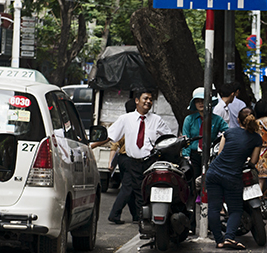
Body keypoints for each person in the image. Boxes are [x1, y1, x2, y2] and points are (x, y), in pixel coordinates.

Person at [94, 90, 171, 225]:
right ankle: (139, 218)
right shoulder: (126, 119)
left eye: (151, 99)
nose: (148, 101)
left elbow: (169, 138)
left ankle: (144, 218)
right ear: (137, 100)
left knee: (145, 191)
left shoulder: (156, 120)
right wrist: (91, 145)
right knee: (131, 189)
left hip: (149, 162)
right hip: (131, 161)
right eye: (145, 98)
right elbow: (110, 136)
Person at [205, 107, 262, 249]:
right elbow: (253, 162)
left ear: (238, 120)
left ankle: (219, 240)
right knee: (235, 209)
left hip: (213, 172)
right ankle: (229, 237)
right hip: (232, 176)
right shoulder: (256, 138)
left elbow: (219, 153)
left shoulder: (228, 132)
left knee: (214, 208)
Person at [181, 87, 227, 173]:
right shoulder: (189, 119)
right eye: (197, 101)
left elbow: (228, 132)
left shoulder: (217, 119)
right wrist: (186, 157)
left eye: (203, 100)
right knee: (194, 181)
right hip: (194, 156)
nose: (200, 103)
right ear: (194, 103)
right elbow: (185, 139)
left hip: (211, 156)